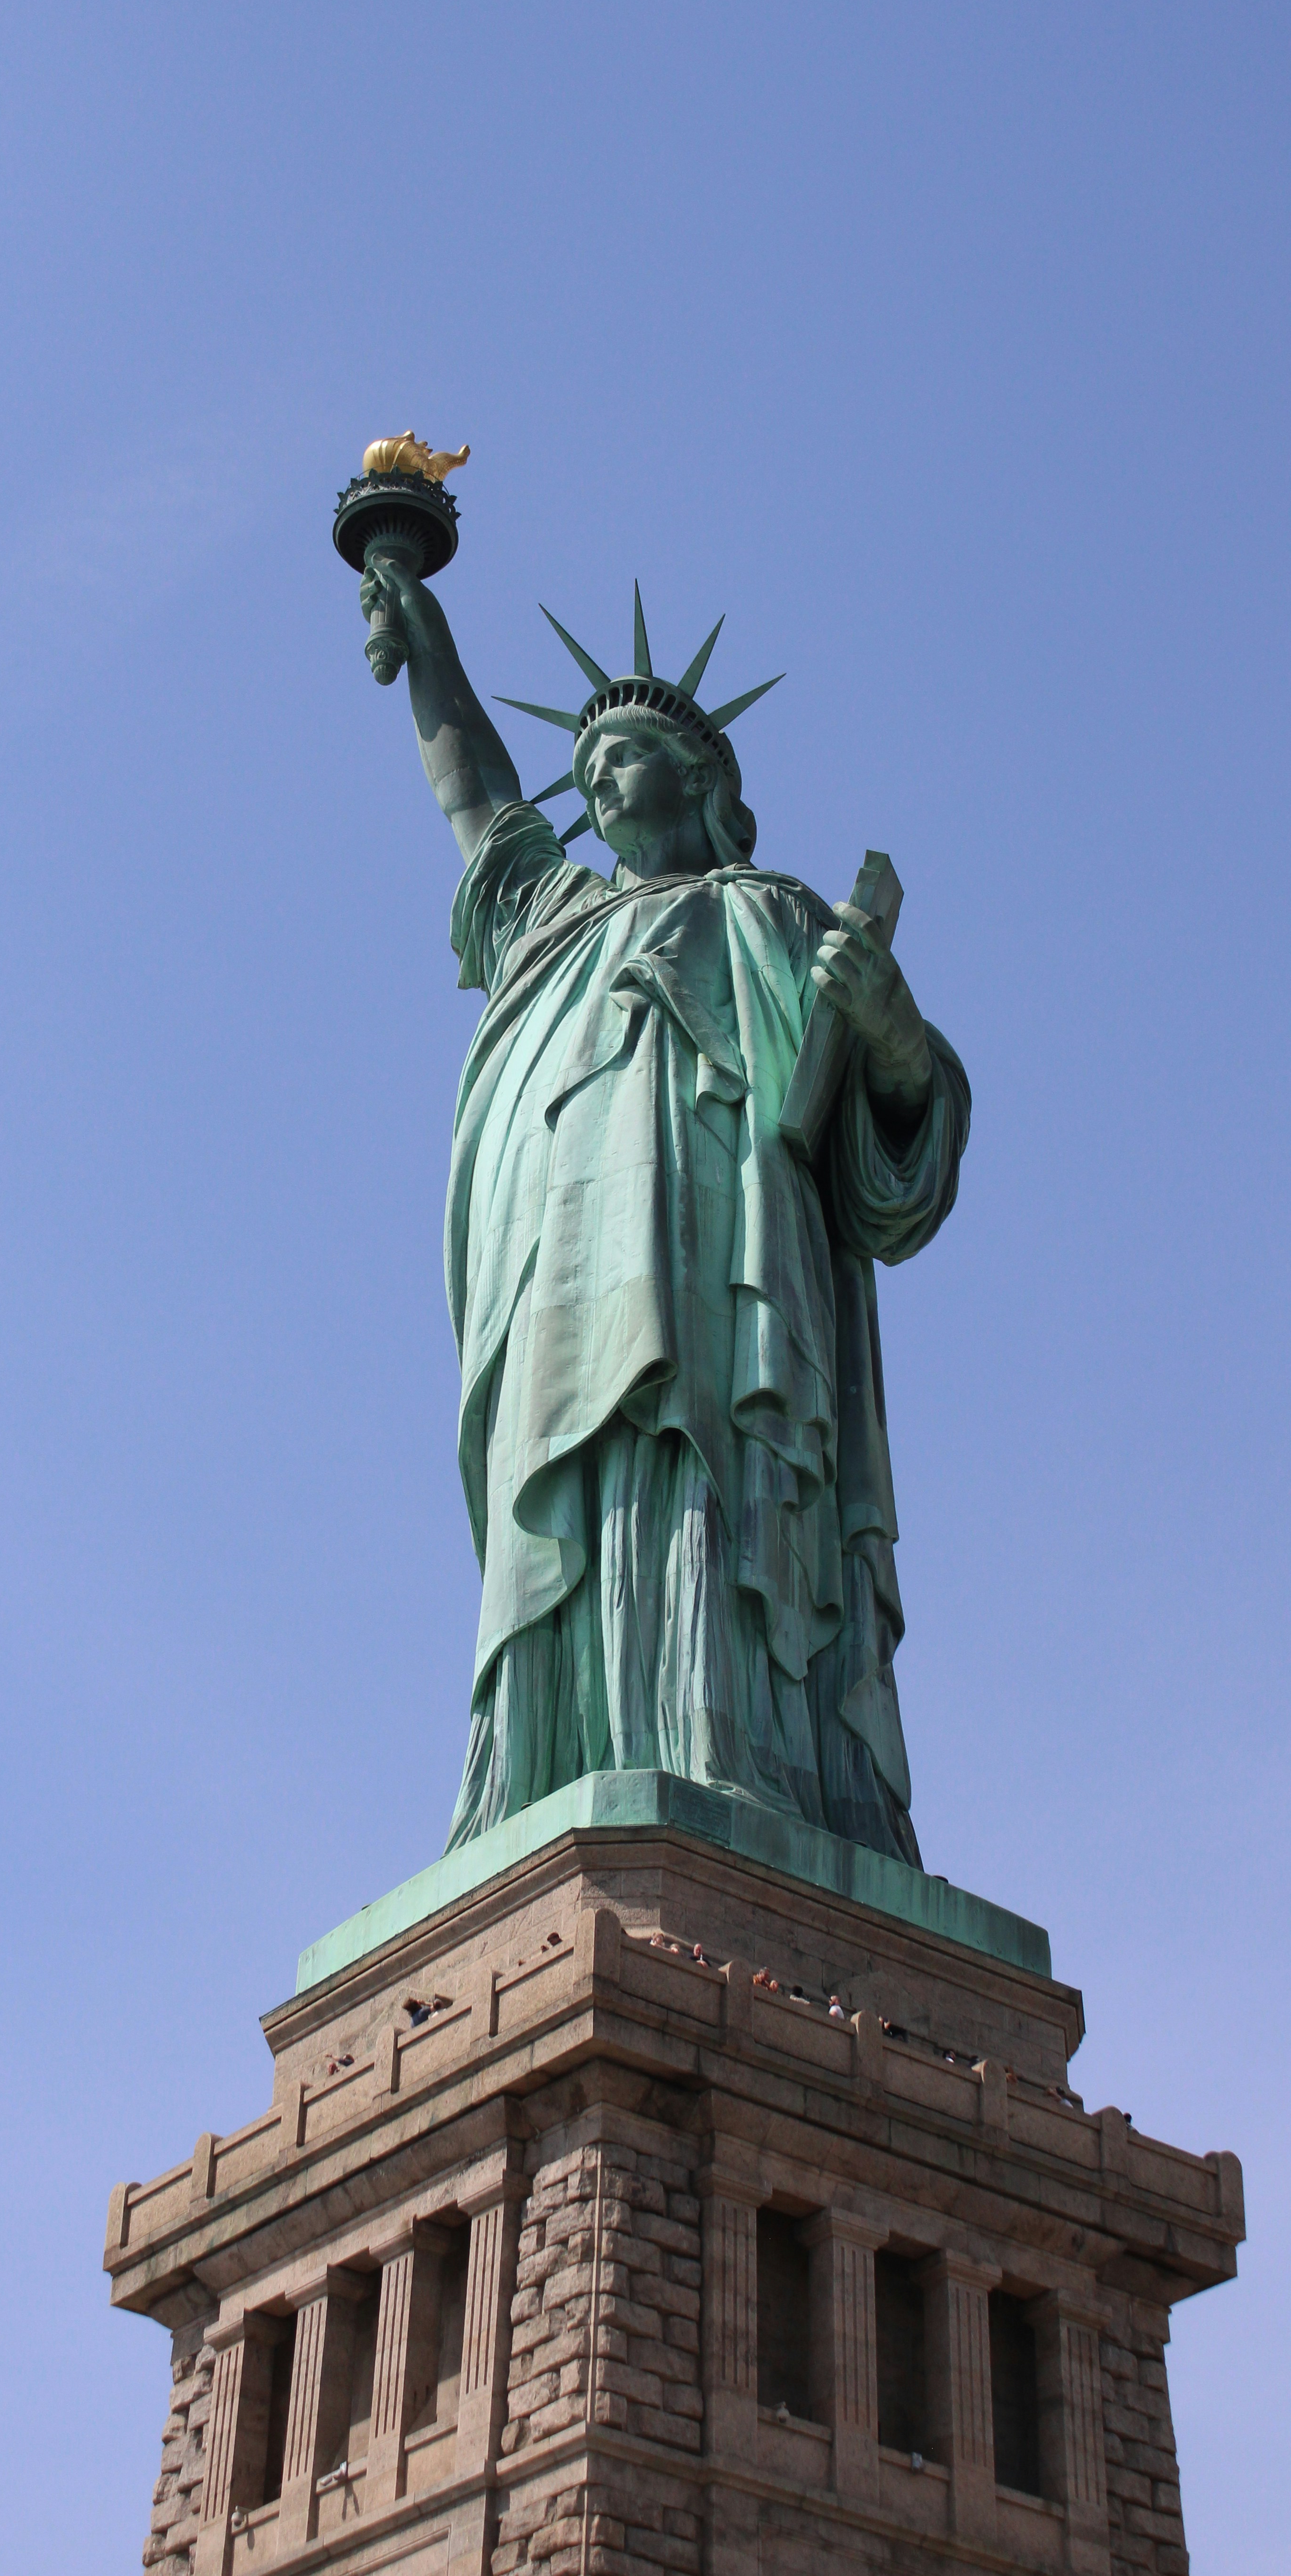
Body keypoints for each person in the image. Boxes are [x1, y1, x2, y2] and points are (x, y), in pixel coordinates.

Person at [362, 553, 970, 1866]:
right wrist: (428, 650)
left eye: (625, 755)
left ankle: (735, 1758)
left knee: (719, 1497)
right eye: (586, 767)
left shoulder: (777, 919)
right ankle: (551, 1774)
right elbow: (478, 800)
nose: (597, 781)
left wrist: (890, 1026)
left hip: (735, 1297)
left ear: (703, 780)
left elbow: (898, 1172)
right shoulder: (555, 927)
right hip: (565, 1301)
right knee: (575, 1515)